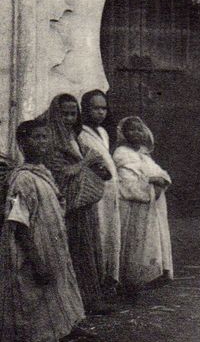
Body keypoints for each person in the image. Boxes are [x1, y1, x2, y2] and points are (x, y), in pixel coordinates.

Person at [0, 119, 84, 342]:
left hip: (49, 252)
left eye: (46, 138)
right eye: (36, 138)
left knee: (45, 312)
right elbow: (19, 222)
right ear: (23, 144)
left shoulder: (43, 173)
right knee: (27, 314)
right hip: (28, 256)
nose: (42, 143)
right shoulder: (23, 178)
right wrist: (36, 260)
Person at [41, 93, 113, 315]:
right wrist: (86, 162)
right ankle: (75, 303)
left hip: (83, 204)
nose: (70, 119)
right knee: (75, 252)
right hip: (68, 206)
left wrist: (97, 166)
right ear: (55, 115)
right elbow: (61, 174)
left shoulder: (75, 137)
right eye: (65, 114)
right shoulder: (52, 141)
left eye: (73, 114)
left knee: (87, 251)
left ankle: (90, 298)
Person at [113, 117, 173, 299]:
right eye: (131, 130)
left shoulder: (144, 153)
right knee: (132, 243)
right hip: (132, 207)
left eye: (140, 130)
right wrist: (150, 182)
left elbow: (159, 173)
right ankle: (127, 283)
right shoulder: (121, 154)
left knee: (147, 242)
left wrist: (158, 180)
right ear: (124, 133)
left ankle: (142, 280)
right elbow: (127, 181)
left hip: (150, 205)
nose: (136, 133)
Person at [79, 90, 121, 293]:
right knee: (99, 233)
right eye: (95, 108)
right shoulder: (81, 134)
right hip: (95, 192)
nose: (100, 112)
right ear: (86, 109)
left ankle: (109, 279)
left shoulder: (103, 133)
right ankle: (96, 283)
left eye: (103, 108)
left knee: (110, 233)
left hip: (110, 191)